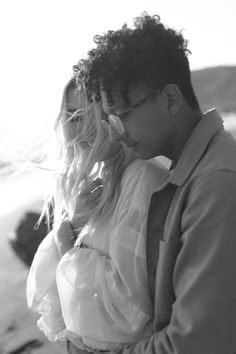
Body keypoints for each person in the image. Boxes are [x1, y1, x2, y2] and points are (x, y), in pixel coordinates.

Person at [75, 12, 236, 353]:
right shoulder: (194, 174)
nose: (115, 133)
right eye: (109, 119)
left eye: (123, 114)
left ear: (170, 99)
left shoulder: (216, 182)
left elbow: (197, 341)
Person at [26, 73, 169, 353]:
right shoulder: (99, 181)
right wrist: (74, 221)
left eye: (91, 115)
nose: (80, 129)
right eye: (73, 117)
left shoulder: (142, 180)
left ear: (114, 117)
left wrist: (67, 241)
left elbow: (130, 311)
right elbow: (60, 306)